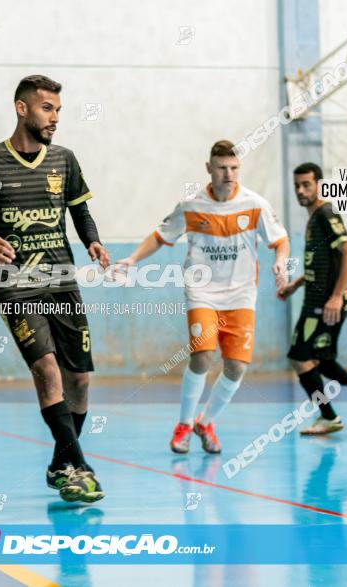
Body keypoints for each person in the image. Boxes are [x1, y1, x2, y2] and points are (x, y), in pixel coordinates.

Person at [0, 75, 109, 501]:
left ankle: (61, 462)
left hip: (62, 279)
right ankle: (77, 465)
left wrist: (92, 239)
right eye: (46, 108)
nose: (55, 117)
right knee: (46, 369)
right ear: (22, 108)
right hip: (13, 282)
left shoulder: (64, 159)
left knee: (80, 379)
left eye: (58, 109)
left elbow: (81, 212)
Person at [117, 140, 289, 454]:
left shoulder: (255, 205)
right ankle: (183, 425)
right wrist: (131, 260)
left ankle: (205, 422)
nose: (229, 173)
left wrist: (280, 261)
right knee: (203, 356)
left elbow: (281, 240)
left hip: (241, 296)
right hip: (202, 293)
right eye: (222, 167)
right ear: (208, 169)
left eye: (234, 167)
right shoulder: (191, 206)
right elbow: (160, 236)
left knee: (236, 366)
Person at [278, 162, 347, 435]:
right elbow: (324, 262)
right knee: (321, 358)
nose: (300, 190)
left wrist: (335, 297)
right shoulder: (315, 217)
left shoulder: (325, 212)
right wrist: (296, 285)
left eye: (306, 185)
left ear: (319, 186)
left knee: (300, 358)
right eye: (297, 186)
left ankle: (328, 416)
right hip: (318, 299)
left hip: (323, 304)